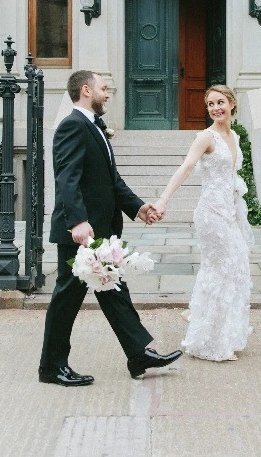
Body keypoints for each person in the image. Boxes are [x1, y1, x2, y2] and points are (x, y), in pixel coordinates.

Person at [39, 71, 183, 386]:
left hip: (99, 232)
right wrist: (77, 221)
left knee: (112, 289)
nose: (108, 94)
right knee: (67, 297)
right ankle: (51, 366)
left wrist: (139, 208)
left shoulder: (94, 127)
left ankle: (139, 354)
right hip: (81, 233)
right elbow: (67, 177)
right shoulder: (72, 126)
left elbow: (111, 182)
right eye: (104, 89)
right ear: (86, 90)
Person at [152, 85, 253, 362]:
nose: (215, 108)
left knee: (234, 266)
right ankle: (211, 342)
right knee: (224, 266)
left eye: (220, 102)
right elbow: (185, 168)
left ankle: (202, 317)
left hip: (229, 210)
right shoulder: (205, 137)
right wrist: (163, 200)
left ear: (232, 103)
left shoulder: (233, 135)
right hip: (211, 212)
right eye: (210, 104)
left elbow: (231, 176)